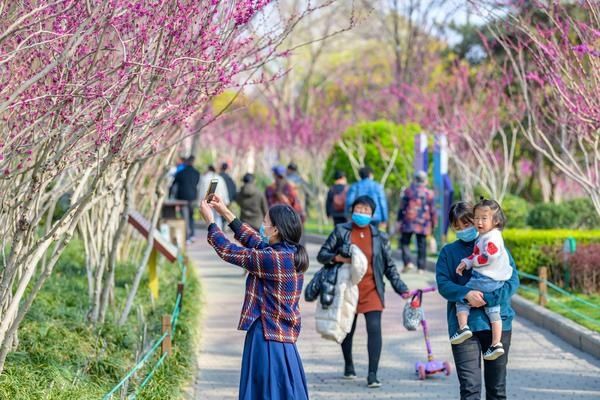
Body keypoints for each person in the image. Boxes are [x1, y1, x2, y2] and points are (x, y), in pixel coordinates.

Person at [200, 195, 309, 400]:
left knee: (265, 392)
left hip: (266, 335)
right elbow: (254, 240)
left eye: (265, 222)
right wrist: (225, 212)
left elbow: (228, 251)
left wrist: (211, 223)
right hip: (282, 338)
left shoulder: (274, 259)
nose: (262, 225)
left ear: (276, 230)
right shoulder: (287, 252)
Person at [317, 195, 410, 389]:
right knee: (347, 330)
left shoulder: (379, 236)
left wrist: (401, 288)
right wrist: (340, 258)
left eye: (367, 211)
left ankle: (372, 374)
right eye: (359, 209)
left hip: (372, 288)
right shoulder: (341, 231)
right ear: (352, 211)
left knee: (374, 328)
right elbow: (322, 255)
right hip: (348, 289)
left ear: (372, 214)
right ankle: (349, 365)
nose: (362, 213)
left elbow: (389, 266)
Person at [436, 201, 519, 400]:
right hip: (464, 329)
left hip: (497, 326)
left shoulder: (495, 246)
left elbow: (512, 281)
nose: (465, 229)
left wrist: (487, 299)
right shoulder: (448, 252)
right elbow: (443, 284)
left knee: (496, 389)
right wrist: (466, 294)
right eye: (458, 226)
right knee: (470, 388)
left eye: (468, 223)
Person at [453, 199, 512, 361]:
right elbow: (476, 255)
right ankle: (496, 344)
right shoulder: (485, 236)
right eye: (477, 218)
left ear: (496, 220)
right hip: (494, 281)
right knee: (494, 312)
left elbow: (488, 256)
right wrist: (467, 262)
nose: (479, 222)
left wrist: (474, 262)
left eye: (483, 218)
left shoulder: (492, 238)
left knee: (463, 299)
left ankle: (463, 327)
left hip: (484, 279)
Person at [397, 171, 437, 274]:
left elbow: (402, 207)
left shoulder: (408, 191)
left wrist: (399, 219)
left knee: (405, 242)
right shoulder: (429, 193)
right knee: (421, 245)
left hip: (408, 220)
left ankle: (407, 263)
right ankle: (421, 268)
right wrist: (434, 223)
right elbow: (433, 210)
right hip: (423, 223)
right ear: (426, 181)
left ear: (415, 180)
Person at [169, 156, 200, 241]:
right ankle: (192, 234)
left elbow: (173, 184)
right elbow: (197, 183)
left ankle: (187, 236)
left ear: (185, 163)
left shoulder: (180, 173)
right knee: (191, 216)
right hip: (193, 197)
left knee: (184, 217)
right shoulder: (197, 173)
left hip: (182, 198)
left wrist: (170, 196)